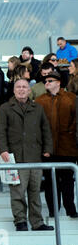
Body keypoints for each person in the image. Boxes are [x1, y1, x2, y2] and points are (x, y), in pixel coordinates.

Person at [0, 78, 54, 231]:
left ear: (29, 90)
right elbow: (0, 131)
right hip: (15, 157)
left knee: (35, 191)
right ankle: (20, 221)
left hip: (35, 156)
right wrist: (3, 149)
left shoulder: (38, 108)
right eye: (18, 87)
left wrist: (48, 148)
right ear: (14, 90)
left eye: (24, 87)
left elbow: (46, 130)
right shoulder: (5, 108)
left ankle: (37, 222)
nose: (21, 89)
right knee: (18, 192)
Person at [35, 71, 78, 218]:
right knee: (50, 182)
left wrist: (71, 133)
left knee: (67, 181)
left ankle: (70, 209)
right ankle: (53, 211)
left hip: (68, 148)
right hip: (48, 149)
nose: (47, 83)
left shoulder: (71, 98)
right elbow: (37, 124)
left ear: (59, 82)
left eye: (50, 81)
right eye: (45, 81)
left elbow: (76, 120)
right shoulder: (40, 101)